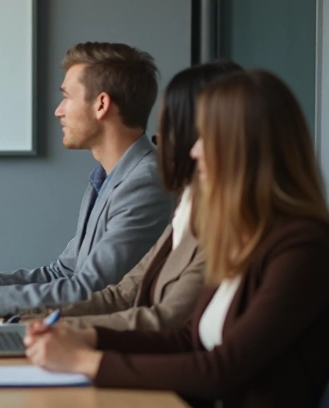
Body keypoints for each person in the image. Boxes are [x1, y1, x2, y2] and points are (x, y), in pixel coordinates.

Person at [25, 70, 329, 408]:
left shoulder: (304, 247)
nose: (195, 150)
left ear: (247, 147)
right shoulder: (243, 235)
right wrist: (87, 336)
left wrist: (85, 361)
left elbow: (221, 369)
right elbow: (189, 339)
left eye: (208, 137)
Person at [0, 42, 171, 315]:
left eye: (67, 96)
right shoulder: (105, 178)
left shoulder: (145, 183)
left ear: (102, 104)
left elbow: (91, 290)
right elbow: (62, 273)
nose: (59, 110)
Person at [18, 61, 241, 330]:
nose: (159, 139)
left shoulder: (154, 187)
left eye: (173, 127)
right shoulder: (189, 208)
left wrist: (63, 331)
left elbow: (167, 320)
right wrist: (35, 318)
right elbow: (125, 290)